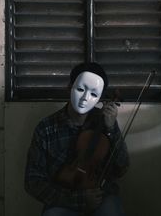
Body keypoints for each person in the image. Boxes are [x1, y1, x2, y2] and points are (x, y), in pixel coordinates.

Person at [25, 62, 129, 216]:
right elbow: (33, 181)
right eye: (80, 89)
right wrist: (76, 199)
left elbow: (121, 168)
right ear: (69, 87)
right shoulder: (45, 128)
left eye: (94, 94)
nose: (85, 98)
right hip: (63, 199)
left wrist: (112, 128)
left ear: (100, 98)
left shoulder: (105, 122)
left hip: (100, 197)